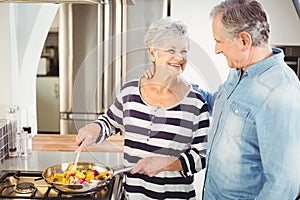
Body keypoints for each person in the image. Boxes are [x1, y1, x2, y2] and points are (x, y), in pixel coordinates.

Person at [144, 0, 300, 199]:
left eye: (219, 41)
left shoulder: (280, 92)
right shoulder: (239, 72)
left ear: (244, 41)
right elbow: (215, 102)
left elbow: (283, 186)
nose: (217, 49)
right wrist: (174, 80)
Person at [75, 17, 210, 199]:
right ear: (152, 53)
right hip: (133, 195)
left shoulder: (195, 103)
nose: (179, 58)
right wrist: (95, 128)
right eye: (171, 50)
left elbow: (202, 156)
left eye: (184, 51)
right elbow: (110, 122)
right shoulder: (130, 91)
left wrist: (167, 163)